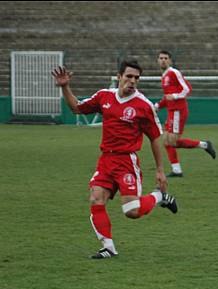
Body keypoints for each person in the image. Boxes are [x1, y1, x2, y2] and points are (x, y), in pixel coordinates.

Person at [51, 59, 178, 259]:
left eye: (136, 78)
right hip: (106, 160)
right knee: (96, 198)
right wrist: (65, 87)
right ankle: (108, 248)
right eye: (129, 76)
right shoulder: (104, 96)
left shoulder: (143, 105)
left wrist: (160, 170)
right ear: (119, 77)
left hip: (127, 162)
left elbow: (155, 137)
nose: (133, 81)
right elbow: (76, 107)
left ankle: (159, 197)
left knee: (131, 211)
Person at [155, 50, 216, 178]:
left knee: (170, 141)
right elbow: (168, 97)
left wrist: (175, 96)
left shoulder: (174, 72)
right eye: (161, 58)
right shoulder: (164, 76)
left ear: (170, 60)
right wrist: (158, 106)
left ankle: (203, 144)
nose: (163, 60)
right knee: (167, 141)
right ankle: (177, 169)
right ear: (157, 60)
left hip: (178, 111)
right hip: (171, 111)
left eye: (165, 58)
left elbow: (187, 88)